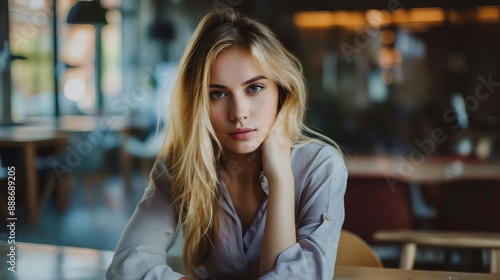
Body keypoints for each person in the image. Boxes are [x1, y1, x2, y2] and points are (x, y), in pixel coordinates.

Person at [106, 8, 347, 280]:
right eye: (218, 94)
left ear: (281, 90)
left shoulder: (321, 168)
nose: (238, 112)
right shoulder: (181, 166)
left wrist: (281, 179)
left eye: (254, 88)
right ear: (198, 103)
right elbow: (126, 265)